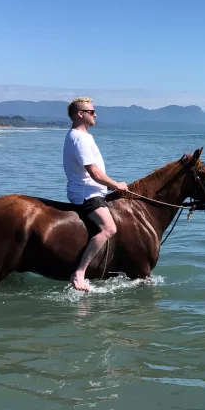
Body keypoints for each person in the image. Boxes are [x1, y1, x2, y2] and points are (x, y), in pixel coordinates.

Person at [62, 97, 129, 291]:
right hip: (86, 194)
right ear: (79, 114)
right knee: (109, 228)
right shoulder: (79, 138)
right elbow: (94, 173)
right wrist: (116, 185)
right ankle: (80, 273)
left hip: (93, 190)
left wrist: (109, 187)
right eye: (91, 112)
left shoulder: (85, 136)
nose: (95, 114)